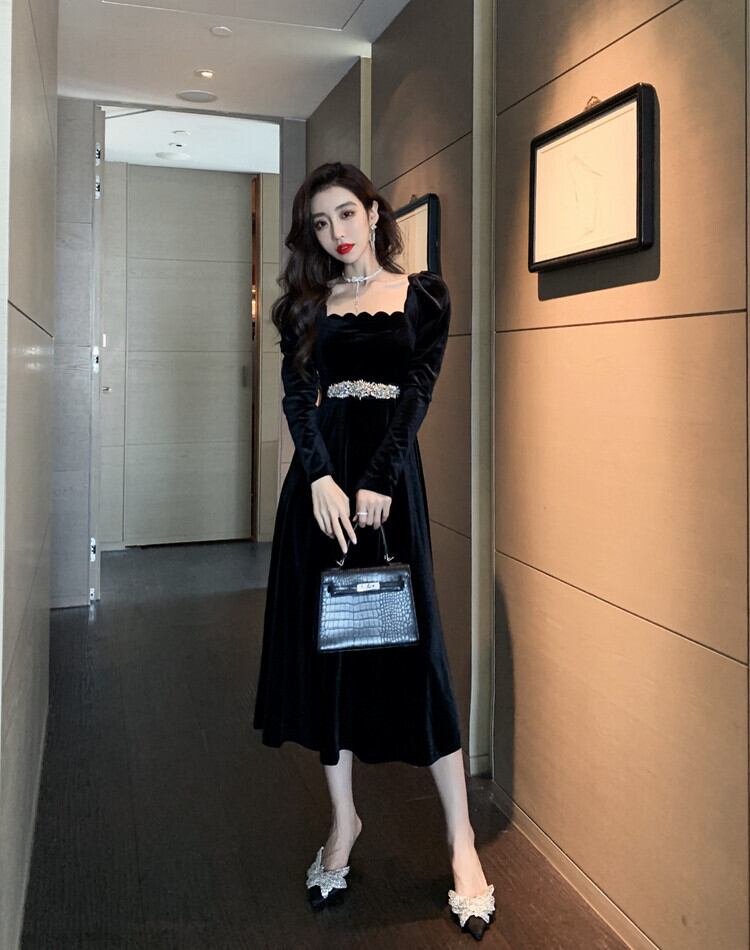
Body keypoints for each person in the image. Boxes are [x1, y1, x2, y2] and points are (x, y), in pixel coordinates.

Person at [252, 161, 495, 940]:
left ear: (375, 211)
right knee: (333, 651)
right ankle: (343, 822)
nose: (336, 233)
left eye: (346, 214)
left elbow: (417, 392)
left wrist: (380, 477)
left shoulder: (423, 295)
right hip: (320, 492)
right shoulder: (306, 305)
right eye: (321, 223)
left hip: (389, 487)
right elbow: (299, 399)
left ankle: (461, 840)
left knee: (418, 654)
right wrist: (319, 477)